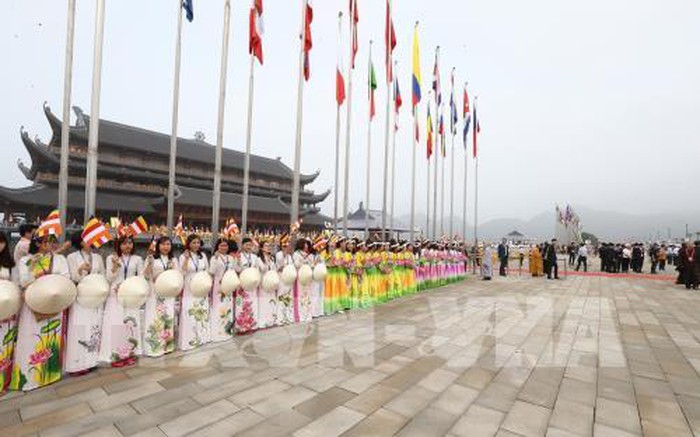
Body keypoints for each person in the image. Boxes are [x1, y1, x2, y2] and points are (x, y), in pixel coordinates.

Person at [12, 235, 70, 390]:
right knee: (31, 337)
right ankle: (28, 377)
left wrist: (50, 279)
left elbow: (66, 278)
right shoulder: (26, 260)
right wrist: (34, 271)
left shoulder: (60, 260)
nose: (49, 245)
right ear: (37, 243)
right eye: (45, 242)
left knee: (51, 337)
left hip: (54, 302)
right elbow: (23, 281)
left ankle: (50, 374)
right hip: (33, 303)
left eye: (52, 242)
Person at [100, 235, 144, 367]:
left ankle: (129, 353)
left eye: (130, 243)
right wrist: (114, 266)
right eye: (124, 243)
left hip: (131, 293)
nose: (127, 246)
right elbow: (108, 278)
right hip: (115, 292)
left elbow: (140, 277)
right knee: (117, 323)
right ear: (118, 245)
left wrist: (130, 286)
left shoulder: (137, 259)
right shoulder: (111, 258)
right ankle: (116, 355)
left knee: (130, 322)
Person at [65, 233, 106, 375]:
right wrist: (80, 269)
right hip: (80, 296)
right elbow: (71, 277)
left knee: (94, 326)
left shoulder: (98, 257)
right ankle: (77, 363)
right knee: (79, 326)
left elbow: (103, 276)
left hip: (95, 297)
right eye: (87, 239)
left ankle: (92, 360)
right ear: (80, 241)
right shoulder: (72, 257)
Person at [142, 236, 178, 357]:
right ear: (158, 246)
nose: (166, 247)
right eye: (163, 244)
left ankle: (167, 345)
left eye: (168, 244)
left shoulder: (173, 259)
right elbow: (146, 276)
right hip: (155, 292)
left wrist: (172, 269)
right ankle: (154, 347)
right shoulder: (151, 258)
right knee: (154, 318)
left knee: (168, 316)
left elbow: (177, 275)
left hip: (168, 293)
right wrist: (150, 264)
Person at [178, 234, 211, 349]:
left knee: (202, 311)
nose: (196, 245)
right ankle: (189, 339)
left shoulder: (203, 255)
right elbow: (182, 272)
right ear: (188, 244)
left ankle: (202, 337)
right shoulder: (183, 256)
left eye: (198, 243)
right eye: (193, 243)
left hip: (201, 287)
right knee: (190, 312)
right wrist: (187, 259)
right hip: (189, 288)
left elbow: (207, 270)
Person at [0, 232, 19, 394]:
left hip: (8, 307)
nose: (0, 246)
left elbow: (15, 284)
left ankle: (3, 380)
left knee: (6, 344)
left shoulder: (9, 263)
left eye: (2, 243)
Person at [208, 238, 235, 341]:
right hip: (218, 285)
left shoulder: (230, 258)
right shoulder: (214, 258)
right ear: (217, 247)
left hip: (228, 284)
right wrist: (215, 259)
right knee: (218, 307)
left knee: (228, 307)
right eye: (221, 246)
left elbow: (233, 270)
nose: (224, 248)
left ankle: (227, 331)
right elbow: (211, 271)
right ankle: (217, 333)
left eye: (225, 246)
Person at [257, 239, 279, 328]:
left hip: (271, 282)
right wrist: (267, 261)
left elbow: (274, 269)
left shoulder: (272, 258)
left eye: (269, 246)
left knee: (271, 300)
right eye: (266, 246)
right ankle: (263, 321)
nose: (268, 248)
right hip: (263, 283)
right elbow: (263, 269)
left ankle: (271, 319)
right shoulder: (259, 259)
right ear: (262, 248)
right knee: (264, 301)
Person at [275, 234, 295, 325]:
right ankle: (280, 318)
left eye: (287, 245)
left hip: (288, 279)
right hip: (282, 278)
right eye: (284, 245)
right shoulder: (278, 254)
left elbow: (291, 266)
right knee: (281, 297)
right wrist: (284, 255)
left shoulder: (290, 256)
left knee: (288, 298)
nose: (286, 247)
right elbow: (279, 267)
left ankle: (288, 316)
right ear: (281, 246)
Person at [293, 238, 314, 322]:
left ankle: (307, 314)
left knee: (307, 295)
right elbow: (296, 264)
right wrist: (303, 259)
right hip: (300, 276)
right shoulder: (296, 254)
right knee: (300, 294)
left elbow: (312, 265)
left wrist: (309, 259)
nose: (306, 247)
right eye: (305, 245)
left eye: (307, 245)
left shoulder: (308, 254)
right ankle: (301, 315)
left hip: (307, 276)